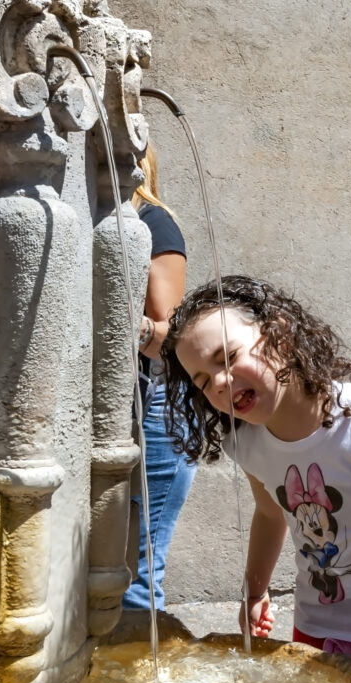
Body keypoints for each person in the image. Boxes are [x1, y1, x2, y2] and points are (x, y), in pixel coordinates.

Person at [159, 275, 351, 683]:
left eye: (227, 357)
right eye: (204, 382)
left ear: (280, 333)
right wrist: (254, 591)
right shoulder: (245, 441)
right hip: (319, 620)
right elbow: (269, 513)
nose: (221, 382)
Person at [121, 143, 197, 610]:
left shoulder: (153, 222)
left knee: (137, 571)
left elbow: (175, 336)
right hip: (124, 407)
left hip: (156, 415)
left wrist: (125, 325)